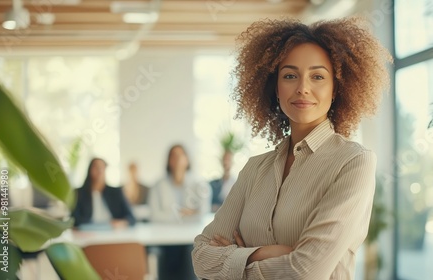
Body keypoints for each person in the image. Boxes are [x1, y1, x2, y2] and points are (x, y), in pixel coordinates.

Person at [191, 16, 392, 279]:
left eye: (317, 76)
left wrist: (235, 260)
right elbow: (200, 258)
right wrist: (263, 253)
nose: (303, 88)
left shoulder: (354, 162)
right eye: (290, 75)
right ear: (275, 88)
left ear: (335, 89)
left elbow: (304, 271)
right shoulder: (255, 169)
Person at [148, 144, 211, 280]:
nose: (177, 159)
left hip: (190, 240)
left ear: (187, 160)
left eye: (180, 155)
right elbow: (154, 216)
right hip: (165, 240)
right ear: (168, 161)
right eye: (173, 155)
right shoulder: (158, 185)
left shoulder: (198, 184)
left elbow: (202, 213)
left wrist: (171, 215)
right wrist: (184, 214)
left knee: (191, 253)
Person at [72, 158, 136, 228]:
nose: (99, 170)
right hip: (87, 231)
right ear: (90, 170)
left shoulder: (116, 192)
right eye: (96, 167)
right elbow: (74, 219)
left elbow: (131, 217)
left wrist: (122, 223)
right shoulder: (79, 193)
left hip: (112, 231)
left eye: (102, 167)